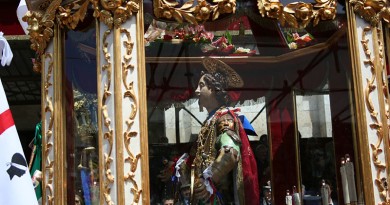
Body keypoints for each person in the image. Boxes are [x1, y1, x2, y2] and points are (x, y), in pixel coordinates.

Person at [161, 57, 259, 205]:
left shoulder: (224, 118)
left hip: (215, 196)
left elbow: (230, 153)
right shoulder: (211, 120)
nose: (196, 90)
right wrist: (177, 166)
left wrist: (209, 179)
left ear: (213, 89)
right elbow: (194, 156)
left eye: (201, 86)